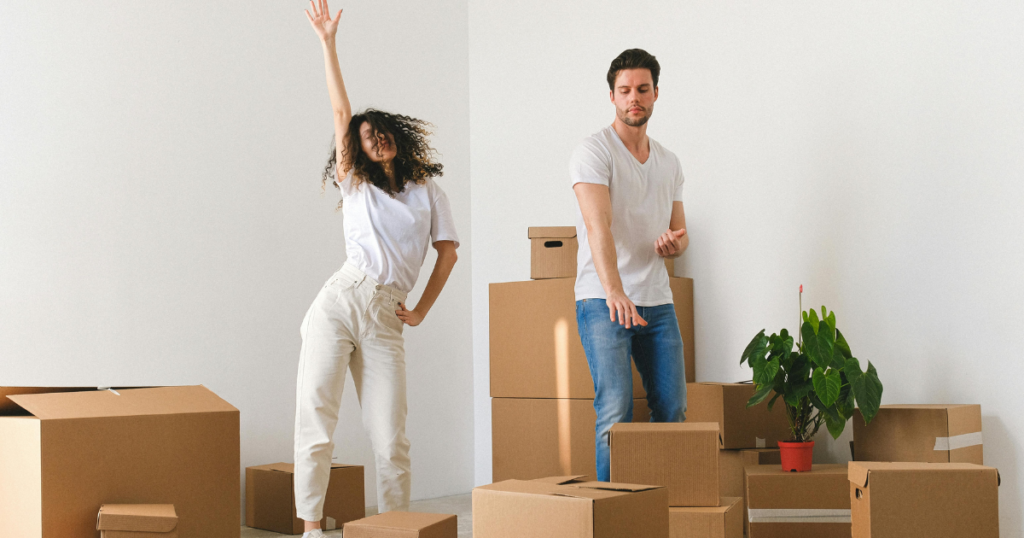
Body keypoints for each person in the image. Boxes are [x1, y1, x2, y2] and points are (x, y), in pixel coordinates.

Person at [295, 2, 459, 536]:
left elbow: (448, 253)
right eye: (366, 137)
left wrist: (421, 310)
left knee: (391, 438)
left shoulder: (428, 192)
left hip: (388, 313)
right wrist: (328, 43)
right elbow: (341, 112)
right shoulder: (356, 184)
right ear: (358, 151)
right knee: (318, 424)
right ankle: (313, 529)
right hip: (342, 300)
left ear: (396, 135)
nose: (374, 137)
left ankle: (392, 529)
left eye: (380, 131)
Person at [570, 48, 689, 482]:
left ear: (656, 93)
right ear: (612, 96)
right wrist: (615, 290)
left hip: (656, 300)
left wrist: (673, 246)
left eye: (642, 89)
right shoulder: (593, 151)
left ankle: (664, 506)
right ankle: (612, 516)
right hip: (603, 300)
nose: (633, 97)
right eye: (625, 91)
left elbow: (680, 232)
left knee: (672, 408)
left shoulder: (669, 162)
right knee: (615, 409)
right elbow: (597, 226)